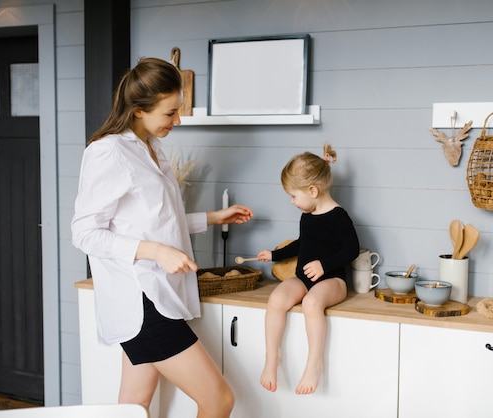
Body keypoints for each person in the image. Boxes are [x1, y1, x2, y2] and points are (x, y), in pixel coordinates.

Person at [71, 57, 253, 417]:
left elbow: (156, 221)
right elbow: (85, 233)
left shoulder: (151, 147)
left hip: (156, 296)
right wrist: (153, 251)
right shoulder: (108, 152)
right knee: (219, 400)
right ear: (138, 110)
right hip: (141, 302)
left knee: (133, 406)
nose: (178, 121)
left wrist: (213, 218)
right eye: (170, 113)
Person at [257, 143, 359, 395]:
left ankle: (314, 364)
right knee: (277, 297)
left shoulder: (339, 216)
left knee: (312, 303)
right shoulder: (308, 215)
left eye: (293, 196)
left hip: (333, 281)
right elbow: (303, 244)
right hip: (303, 278)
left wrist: (325, 265)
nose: (292, 202)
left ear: (312, 190)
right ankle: (272, 358)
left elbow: (352, 250)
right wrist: (274, 255)